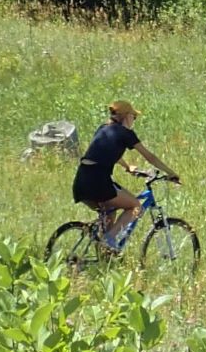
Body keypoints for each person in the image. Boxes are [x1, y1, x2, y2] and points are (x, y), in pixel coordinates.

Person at [73, 100, 180, 248]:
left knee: (110, 212)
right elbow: (150, 157)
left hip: (81, 180)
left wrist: (128, 166)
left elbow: (105, 152)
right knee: (135, 206)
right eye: (134, 117)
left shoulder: (103, 128)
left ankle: (105, 252)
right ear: (127, 116)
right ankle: (108, 239)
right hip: (98, 181)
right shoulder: (126, 133)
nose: (134, 120)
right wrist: (172, 173)